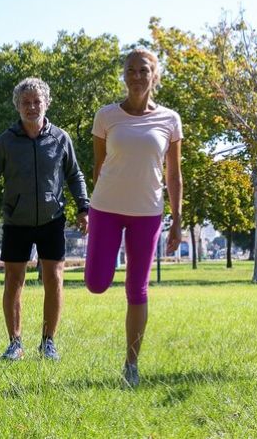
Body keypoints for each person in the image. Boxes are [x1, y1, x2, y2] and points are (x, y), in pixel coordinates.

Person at [84, 47, 183, 387]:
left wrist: (178, 219)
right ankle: (103, 268)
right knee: (97, 283)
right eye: (131, 70)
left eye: (144, 70)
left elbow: (173, 175)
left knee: (137, 288)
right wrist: (103, 199)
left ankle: (131, 365)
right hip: (106, 208)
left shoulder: (170, 119)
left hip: (147, 212)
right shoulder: (106, 116)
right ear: (124, 75)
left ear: (154, 75)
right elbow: (98, 167)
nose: (137, 76)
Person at [0, 77, 90, 362]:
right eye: (26, 103)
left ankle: (48, 342)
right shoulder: (6, 141)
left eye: (37, 101)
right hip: (17, 221)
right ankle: (15, 343)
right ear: (17, 106)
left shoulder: (61, 138)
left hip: (53, 220)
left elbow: (75, 175)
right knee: (13, 281)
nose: (32, 107)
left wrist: (84, 207)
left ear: (46, 103)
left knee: (55, 278)